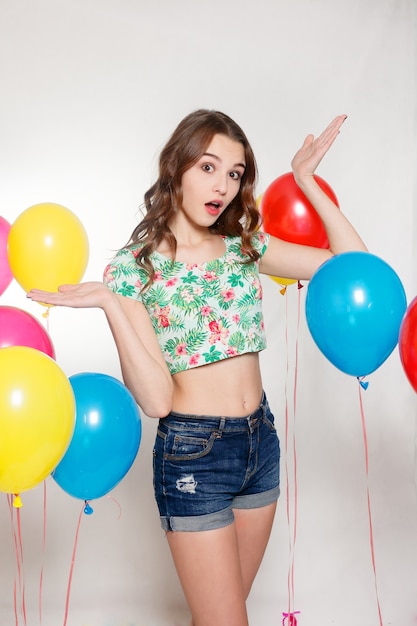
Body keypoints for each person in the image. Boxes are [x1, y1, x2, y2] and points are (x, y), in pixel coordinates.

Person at [27, 109, 367, 626]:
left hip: (261, 445)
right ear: (177, 168)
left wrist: (306, 181)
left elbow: (355, 267)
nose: (223, 186)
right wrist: (114, 305)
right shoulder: (134, 267)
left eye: (234, 173)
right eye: (209, 167)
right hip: (194, 457)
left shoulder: (243, 246)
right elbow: (157, 401)